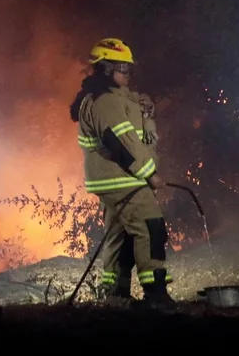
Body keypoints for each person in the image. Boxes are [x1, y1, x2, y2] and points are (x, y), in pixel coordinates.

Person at [70, 38, 176, 306]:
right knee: (150, 227)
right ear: (106, 69)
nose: (128, 74)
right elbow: (124, 144)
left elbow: (142, 136)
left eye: (129, 69)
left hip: (115, 179)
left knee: (120, 236)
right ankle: (156, 296)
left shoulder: (115, 99)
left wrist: (147, 111)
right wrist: (150, 174)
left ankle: (115, 296)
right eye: (123, 69)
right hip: (125, 178)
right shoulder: (105, 102)